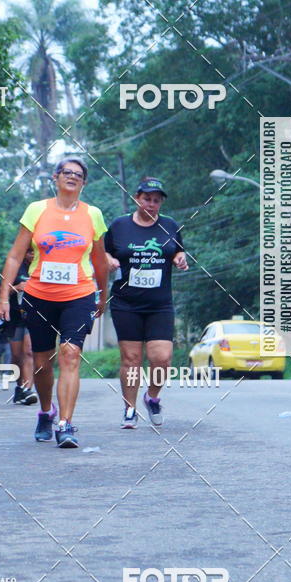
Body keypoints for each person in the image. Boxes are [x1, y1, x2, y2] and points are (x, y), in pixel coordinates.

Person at [0, 157, 108, 448]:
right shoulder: (37, 210)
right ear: (56, 178)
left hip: (79, 295)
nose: (72, 177)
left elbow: (99, 260)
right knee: (43, 364)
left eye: (78, 175)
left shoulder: (93, 214)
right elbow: (15, 256)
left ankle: (66, 424)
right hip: (39, 296)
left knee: (70, 354)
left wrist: (102, 293)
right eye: (66, 173)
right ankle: (46, 412)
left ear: (84, 183)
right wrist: (4, 296)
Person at [104, 176, 187, 429]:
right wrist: (108, 259)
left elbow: (178, 250)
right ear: (136, 199)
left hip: (159, 304)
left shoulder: (170, 226)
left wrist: (180, 259)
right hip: (125, 303)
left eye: (156, 200)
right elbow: (104, 250)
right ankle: (129, 409)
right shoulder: (119, 226)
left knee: (161, 357)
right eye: (146, 199)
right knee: (131, 358)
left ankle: (152, 397)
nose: (151, 204)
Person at [5, 250, 38, 406]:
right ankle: (19, 387)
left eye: (35, 252)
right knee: (17, 356)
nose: (32, 255)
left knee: (29, 351)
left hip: (33, 315)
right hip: (15, 316)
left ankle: (27, 390)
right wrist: (17, 287)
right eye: (30, 252)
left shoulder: (42, 266)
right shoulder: (15, 267)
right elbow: (1, 291)